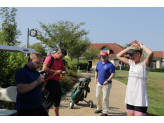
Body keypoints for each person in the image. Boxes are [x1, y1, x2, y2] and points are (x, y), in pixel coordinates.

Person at [116, 42, 154, 116]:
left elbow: (151, 53)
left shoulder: (144, 65)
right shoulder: (131, 63)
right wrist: (129, 48)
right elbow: (118, 56)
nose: (130, 56)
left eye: (132, 55)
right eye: (129, 55)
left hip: (140, 100)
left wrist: (142, 46)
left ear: (138, 54)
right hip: (130, 99)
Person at [14, 52, 48, 116]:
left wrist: (41, 86)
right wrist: (37, 82)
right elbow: (21, 89)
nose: (39, 65)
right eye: (38, 63)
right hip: (26, 108)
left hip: (38, 105)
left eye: (40, 63)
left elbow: (39, 90)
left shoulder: (37, 73)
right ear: (31, 60)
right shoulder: (21, 72)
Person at [42, 48, 67, 116]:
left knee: (56, 102)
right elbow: (44, 68)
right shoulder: (49, 58)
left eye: (63, 57)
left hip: (57, 83)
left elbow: (63, 68)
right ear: (58, 53)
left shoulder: (60, 60)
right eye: (61, 56)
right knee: (48, 103)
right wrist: (56, 72)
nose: (61, 58)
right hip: (50, 83)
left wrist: (65, 71)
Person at [94, 52, 115, 116]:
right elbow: (96, 71)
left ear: (107, 57)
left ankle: (105, 112)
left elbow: (112, 74)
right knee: (97, 96)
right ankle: (99, 108)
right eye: (102, 56)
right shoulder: (99, 63)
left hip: (107, 84)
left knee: (105, 98)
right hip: (99, 83)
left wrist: (108, 80)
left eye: (104, 56)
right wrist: (95, 78)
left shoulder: (110, 65)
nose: (102, 57)